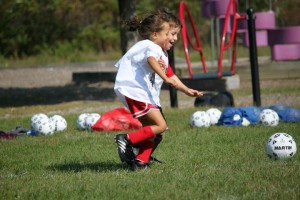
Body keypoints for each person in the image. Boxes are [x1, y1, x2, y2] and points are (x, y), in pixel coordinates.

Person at [114, 8, 203, 171]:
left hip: (141, 93)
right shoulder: (151, 46)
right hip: (135, 90)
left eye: (176, 34)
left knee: (157, 133)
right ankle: (127, 140)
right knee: (160, 126)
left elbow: (171, 75)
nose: (174, 38)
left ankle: (141, 162)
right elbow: (151, 60)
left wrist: (187, 90)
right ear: (155, 35)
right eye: (171, 33)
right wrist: (165, 77)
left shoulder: (161, 52)